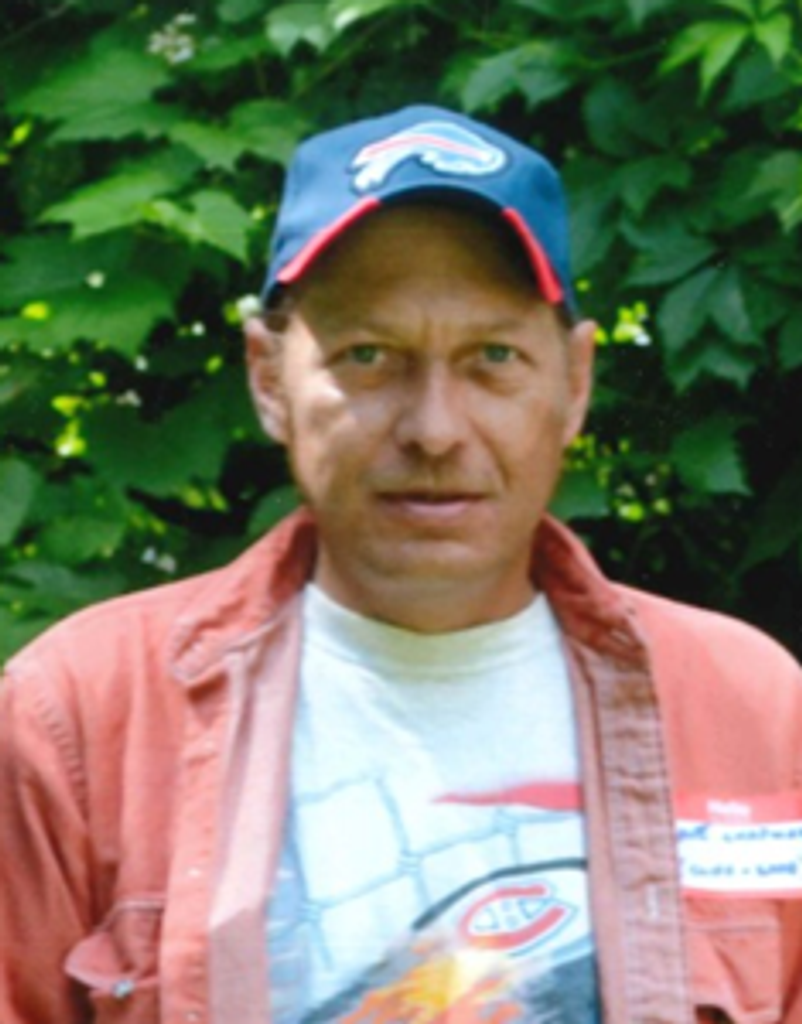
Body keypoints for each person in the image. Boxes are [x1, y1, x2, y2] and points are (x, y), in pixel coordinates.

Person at [1, 105, 801, 1024]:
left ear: (575, 382)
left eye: (493, 357)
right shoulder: (79, 716)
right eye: (369, 357)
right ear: (268, 378)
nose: (434, 429)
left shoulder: (753, 710)